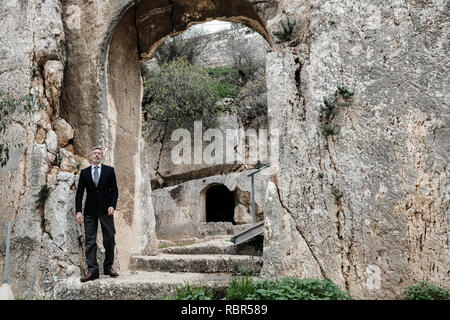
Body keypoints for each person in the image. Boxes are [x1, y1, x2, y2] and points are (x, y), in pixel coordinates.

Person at [75, 146, 119, 282]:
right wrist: (78, 211)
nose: (97, 155)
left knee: (109, 238)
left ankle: (108, 267)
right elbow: (80, 193)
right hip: (89, 211)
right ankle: (93, 271)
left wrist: (112, 205)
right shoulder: (84, 173)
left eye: (99, 153)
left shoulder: (109, 171)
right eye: (94, 153)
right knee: (90, 241)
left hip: (106, 210)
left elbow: (115, 191)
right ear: (90, 156)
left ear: (102, 156)